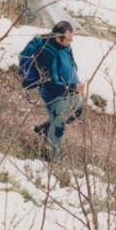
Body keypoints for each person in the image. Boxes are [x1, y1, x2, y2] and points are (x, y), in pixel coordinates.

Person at [30, 21, 84, 160]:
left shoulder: (65, 46)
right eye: (68, 39)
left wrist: (75, 83)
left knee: (77, 110)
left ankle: (46, 129)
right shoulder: (47, 54)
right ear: (58, 38)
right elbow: (51, 84)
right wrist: (72, 87)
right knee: (59, 126)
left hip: (70, 90)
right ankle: (52, 158)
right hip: (55, 95)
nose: (70, 42)